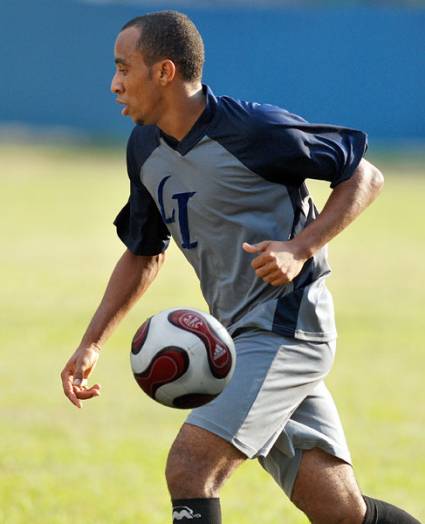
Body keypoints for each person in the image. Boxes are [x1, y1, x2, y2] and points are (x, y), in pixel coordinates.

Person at [61, 11, 420, 524]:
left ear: (164, 72)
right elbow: (144, 250)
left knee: (189, 468)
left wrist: (301, 247)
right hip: (236, 337)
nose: (114, 83)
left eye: (124, 68)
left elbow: (364, 175)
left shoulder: (253, 129)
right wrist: (92, 342)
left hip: (288, 329)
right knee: (340, 511)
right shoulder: (144, 147)